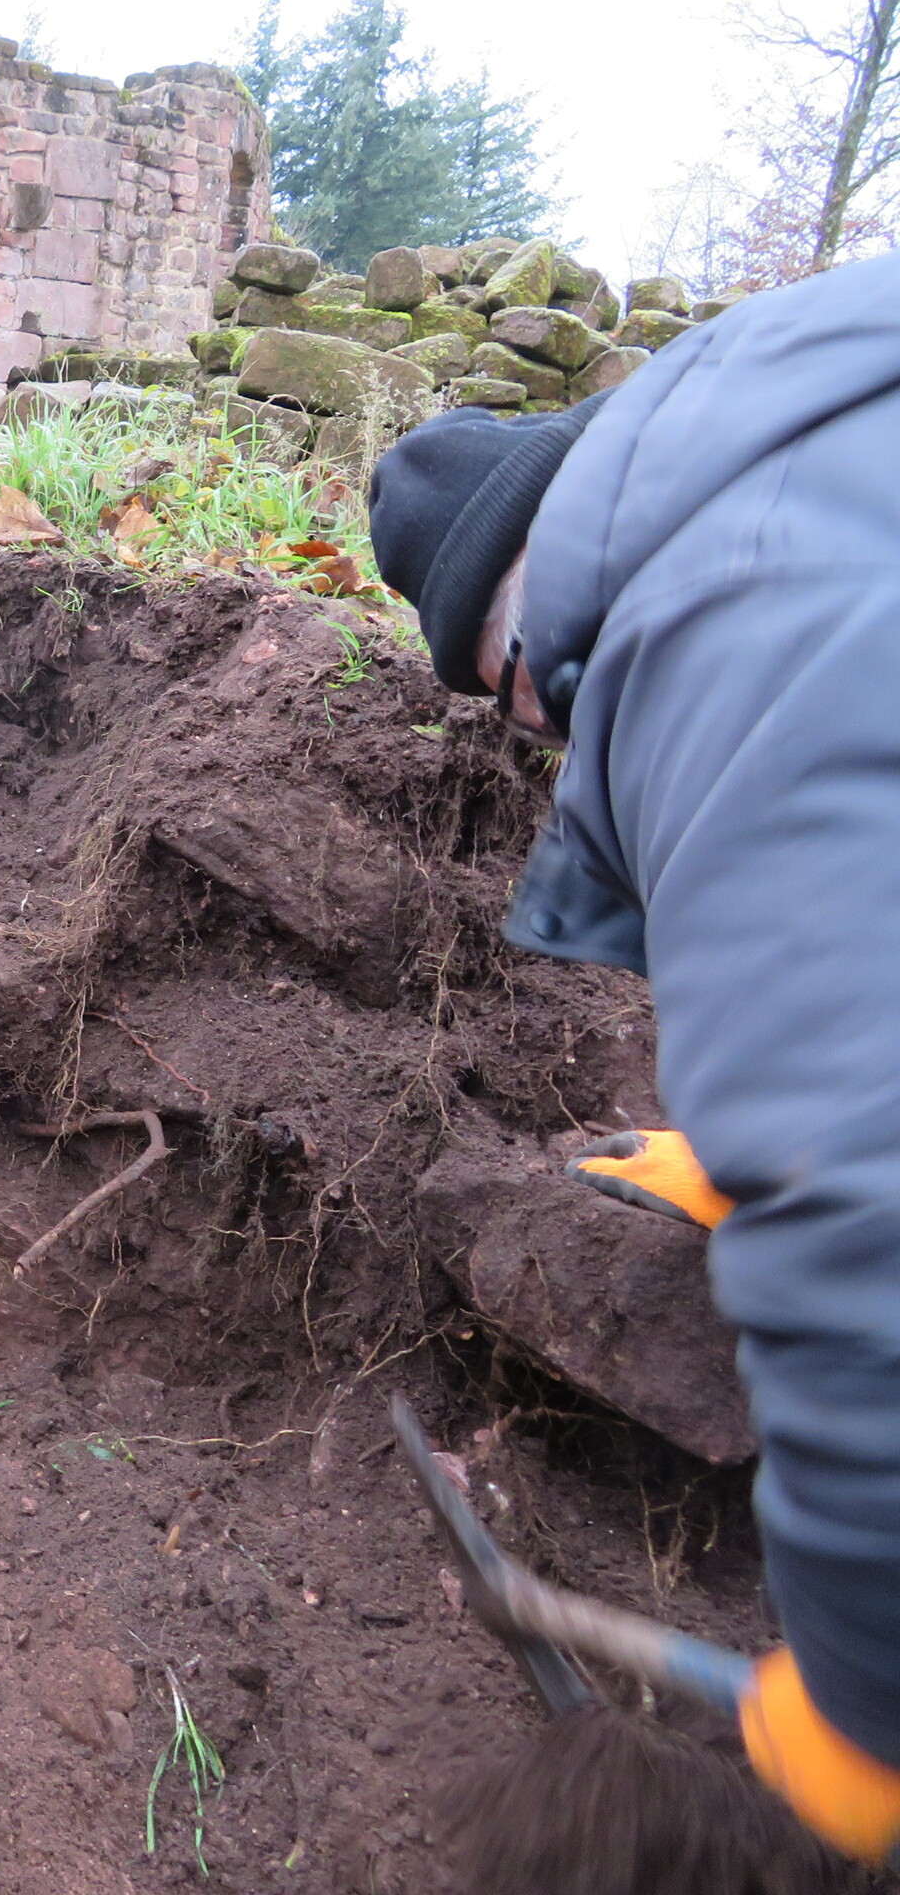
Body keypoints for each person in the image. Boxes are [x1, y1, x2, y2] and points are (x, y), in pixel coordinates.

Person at [367, 249, 900, 1863]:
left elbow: (867, 1206)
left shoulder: (731, 627)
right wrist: (744, 1159)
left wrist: (865, 1699)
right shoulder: (821, 450)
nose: (544, 742)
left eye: (513, 710)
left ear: (519, 636)